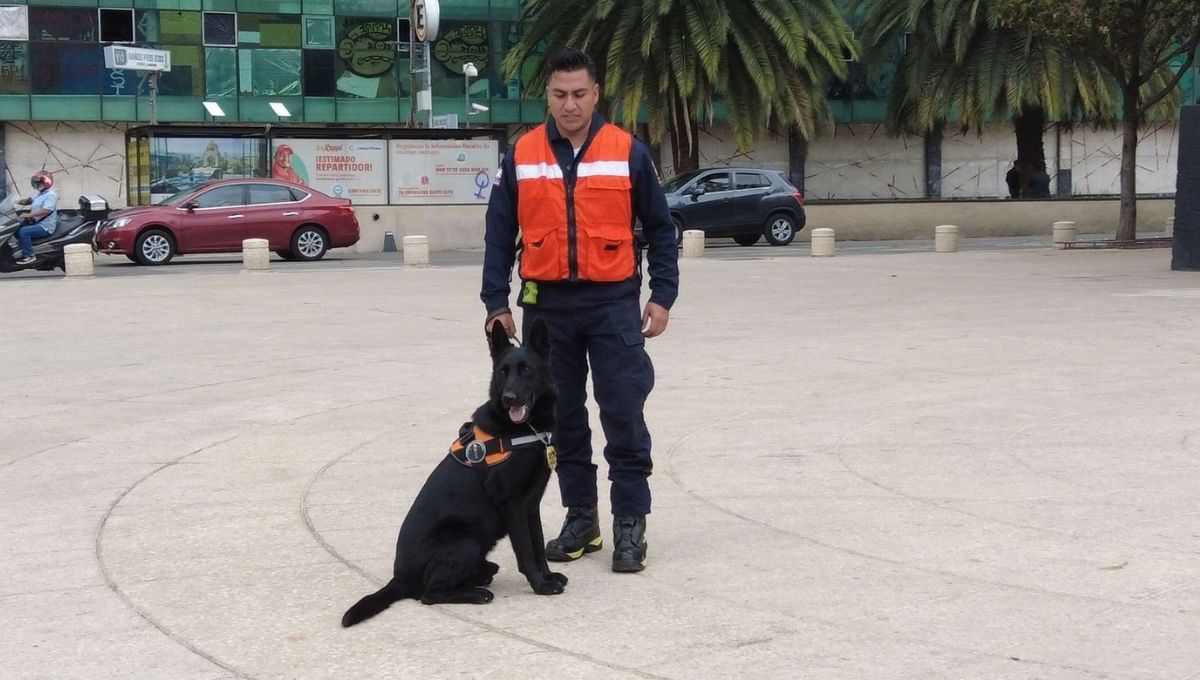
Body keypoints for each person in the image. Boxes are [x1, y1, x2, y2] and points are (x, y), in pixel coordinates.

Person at [480, 48, 679, 573]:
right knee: (563, 419)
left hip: (612, 304)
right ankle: (581, 519)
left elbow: (661, 229)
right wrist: (495, 303)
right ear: (548, 95)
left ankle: (630, 523)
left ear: (596, 94)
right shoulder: (521, 155)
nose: (569, 105)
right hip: (546, 310)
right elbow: (499, 233)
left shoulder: (628, 152)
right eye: (559, 95)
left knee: (623, 412)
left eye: (579, 94)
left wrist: (661, 296)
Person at [14, 171, 59, 266]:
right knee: (15, 226)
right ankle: (20, 248)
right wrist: (15, 202)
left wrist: (28, 215)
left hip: (45, 226)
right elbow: (29, 200)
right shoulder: (40, 193)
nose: (36, 184)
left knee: (24, 231)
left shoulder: (50, 195)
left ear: (46, 182)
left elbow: (45, 211)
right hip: (35, 222)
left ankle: (29, 255)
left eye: (38, 183)